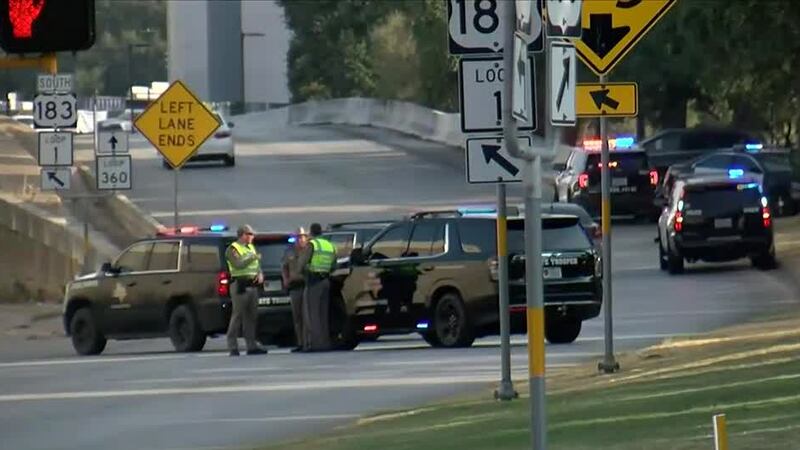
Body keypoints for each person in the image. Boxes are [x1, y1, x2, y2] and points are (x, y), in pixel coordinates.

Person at [225, 224, 267, 356]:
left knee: (251, 317)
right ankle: (232, 346)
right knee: (237, 315)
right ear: (242, 235)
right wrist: (252, 257)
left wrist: (260, 274)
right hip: (240, 285)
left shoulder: (250, 247)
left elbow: (257, 266)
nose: (252, 237)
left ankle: (251, 345)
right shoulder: (233, 249)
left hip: (252, 285)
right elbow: (238, 264)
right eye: (250, 234)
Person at [302, 222, 337, 352]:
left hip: (314, 281)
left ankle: (316, 344)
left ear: (311, 232)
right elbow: (334, 265)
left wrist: (306, 273)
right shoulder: (329, 245)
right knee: (323, 313)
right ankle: (325, 342)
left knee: (313, 314)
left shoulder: (312, 245)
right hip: (326, 281)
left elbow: (302, 263)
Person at [281, 227, 310, 353]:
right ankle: (300, 343)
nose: (300, 239)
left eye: (302, 236)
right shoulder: (289, 252)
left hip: (306, 285)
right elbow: (284, 267)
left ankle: (309, 343)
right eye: (298, 237)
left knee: (307, 316)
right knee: (297, 317)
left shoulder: (309, 250)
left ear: (306, 238)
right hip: (294, 287)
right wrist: (285, 279)